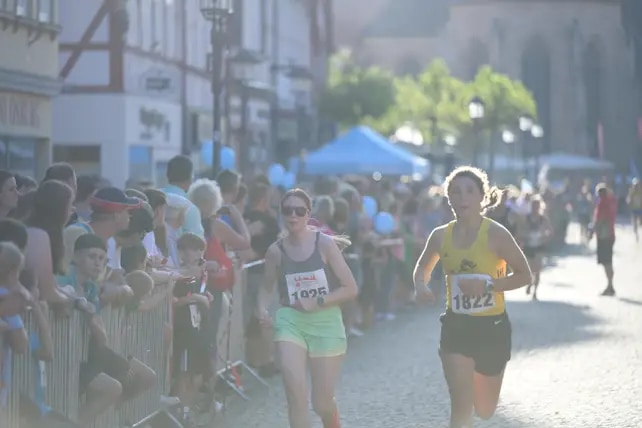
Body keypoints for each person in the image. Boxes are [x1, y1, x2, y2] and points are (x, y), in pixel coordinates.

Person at [413, 166, 531, 428]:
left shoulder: (496, 234)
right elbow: (422, 267)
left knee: (485, 409)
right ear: (449, 198)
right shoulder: (440, 235)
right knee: (461, 404)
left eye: (469, 191)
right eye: (456, 192)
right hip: (456, 325)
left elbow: (525, 275)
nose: (463, 197)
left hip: (492, 328)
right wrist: (420, 286)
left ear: (482, 196)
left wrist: (488, 287)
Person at [257, 188, 358, 428]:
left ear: (308, 214)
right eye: (287, 210)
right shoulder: (275, 251)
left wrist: (317, 301)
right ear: (282, 213)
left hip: (326, 322)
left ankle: (331, 419)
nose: (293, 215)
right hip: (290, 321)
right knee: (296, 396)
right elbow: (267, 287)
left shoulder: (325, 244)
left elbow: (350, 288)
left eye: (299, 211)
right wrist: (261, 309)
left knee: (321, 403)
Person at [516, 195, 552, 301]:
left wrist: (545, 238)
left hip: (539, 246)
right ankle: (529, 284)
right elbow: (520, 230)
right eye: (533, 205)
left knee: (538, 269)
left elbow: (550, 231)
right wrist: (524, 237)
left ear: (540, 206)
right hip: (528, 245)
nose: (535, 207)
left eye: (537, 205)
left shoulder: (543, 219)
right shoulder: (526, 218)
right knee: (529, 269)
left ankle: (535, 292)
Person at [589, 183, 617, 296]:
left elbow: (600, 220)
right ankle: (610, 285)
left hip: (604, 236)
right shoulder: (611, 202)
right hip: (610, 234)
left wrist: (592, 231)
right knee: (608, 261)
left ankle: (610, 286)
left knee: (606, 262)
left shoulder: (602, 203)